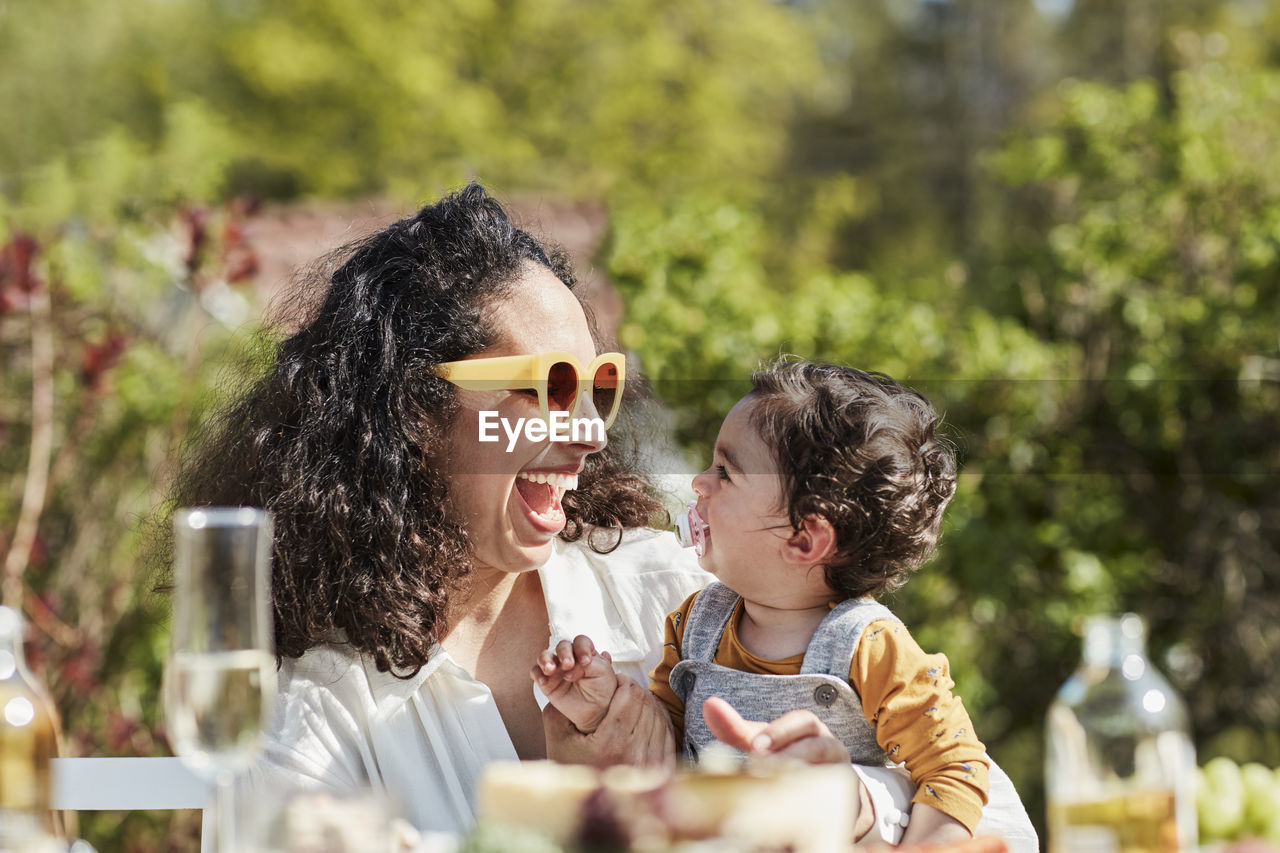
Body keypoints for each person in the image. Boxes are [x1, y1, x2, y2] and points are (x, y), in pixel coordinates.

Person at [158, 183, 1030, 846]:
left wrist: (852, 804)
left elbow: (1004, 820)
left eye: (597, 387)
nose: (584, 436)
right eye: (547, 390)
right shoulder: (321, 713)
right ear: (411, 416)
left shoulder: (678, 590)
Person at [534, 361, 1030, 847]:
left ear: (804, 540)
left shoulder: (871, 646)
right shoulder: (695, 622)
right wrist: (602, 708)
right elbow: (667, 747)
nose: (699, 484)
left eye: (725, 472)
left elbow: (954, 768)